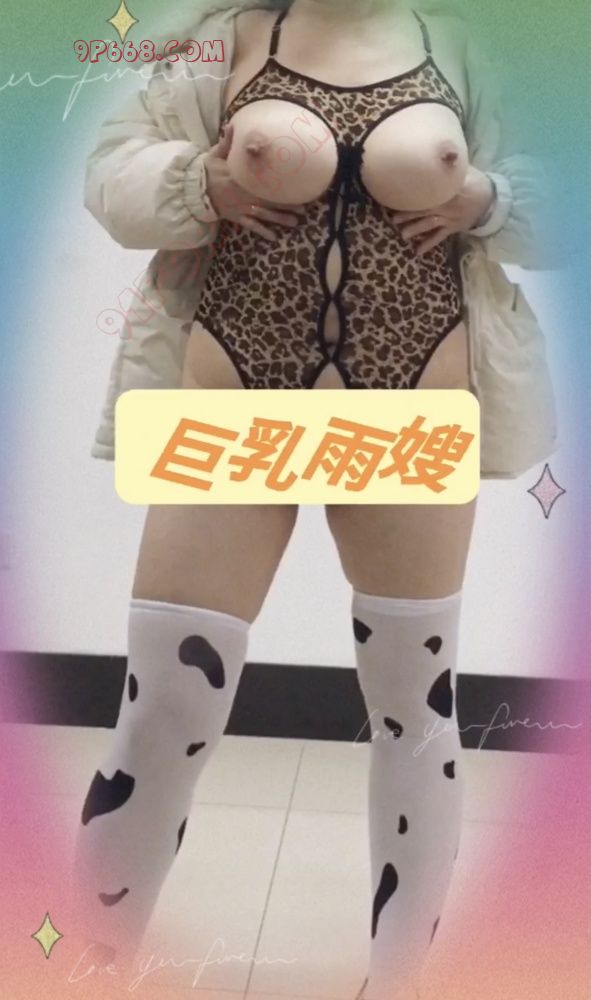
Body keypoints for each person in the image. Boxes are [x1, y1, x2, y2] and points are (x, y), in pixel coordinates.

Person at [69, 1, 558, 997]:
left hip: (411, 410)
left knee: (414, 711)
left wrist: (487, 198)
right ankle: (80, 973)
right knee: (162, 707)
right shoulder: (221, 33)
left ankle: (399, 985)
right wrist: (196, 180)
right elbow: (110, 177)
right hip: (231, 406)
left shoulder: (472, 41)